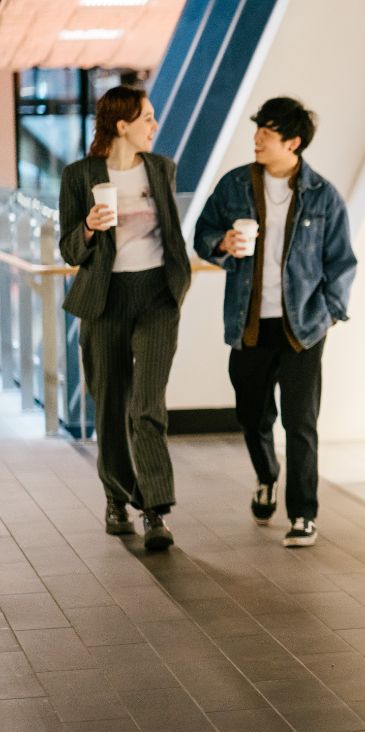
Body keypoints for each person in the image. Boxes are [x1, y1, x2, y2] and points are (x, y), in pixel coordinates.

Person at [194, 97, 357, 548]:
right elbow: (202, 235)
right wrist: (222, 242)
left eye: (267, 131)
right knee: (252, 414)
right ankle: (267, 475)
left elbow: (342, 262)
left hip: (302, 328)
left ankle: (303, 514)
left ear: (294, 142)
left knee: (300, 422)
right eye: (258, 130)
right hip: (249, 323)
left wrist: (329, 314)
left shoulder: (322, 195)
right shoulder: (234, 186)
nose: (257, 139)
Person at [59, 85, 192, 551]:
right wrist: (90, 229)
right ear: (123, 125)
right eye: (148, 118)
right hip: (105, 299)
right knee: (110, 404)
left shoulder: (161, 169)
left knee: (147, 405)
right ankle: (117, 498)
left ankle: (155, 510)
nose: (154, 126)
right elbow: (69, 249)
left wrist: (179, 285)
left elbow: (172, 233)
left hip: (157, 296)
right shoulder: (80, 176)